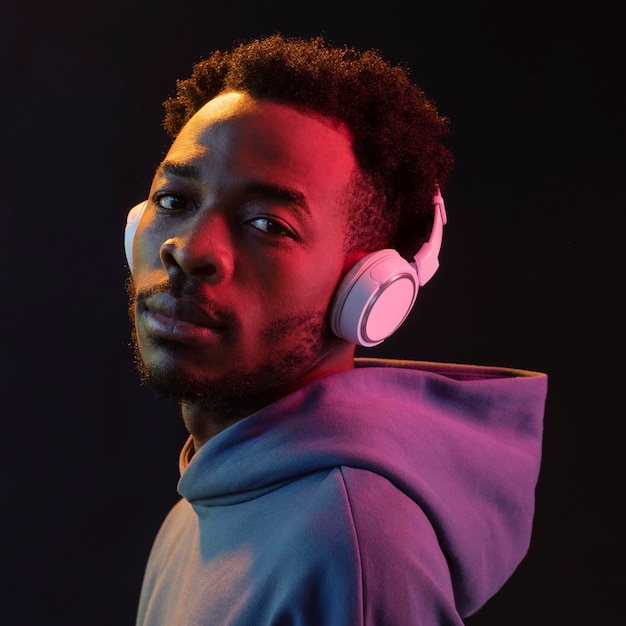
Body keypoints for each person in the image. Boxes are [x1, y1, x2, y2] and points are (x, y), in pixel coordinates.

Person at [124, 34, 547, 626]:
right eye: (172, 199)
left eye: (268, 223)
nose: (190, 250)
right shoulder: (201, 501)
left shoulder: (353, 548)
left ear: (369, 292)